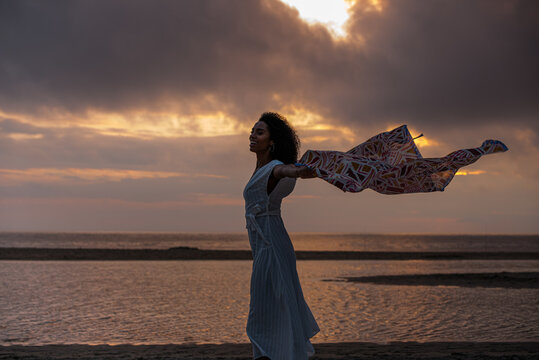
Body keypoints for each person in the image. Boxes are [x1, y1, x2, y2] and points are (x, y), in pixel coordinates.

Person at [243, 112, 319, 360]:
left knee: (264, 314)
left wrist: (300, 172)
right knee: (271, 310)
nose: (253, 135)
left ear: (272, 142)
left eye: (260, 132)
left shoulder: (274, 168)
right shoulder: (262, 168)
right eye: (253, 131)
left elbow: (286, 171)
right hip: (267, 245)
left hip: (271, 247)